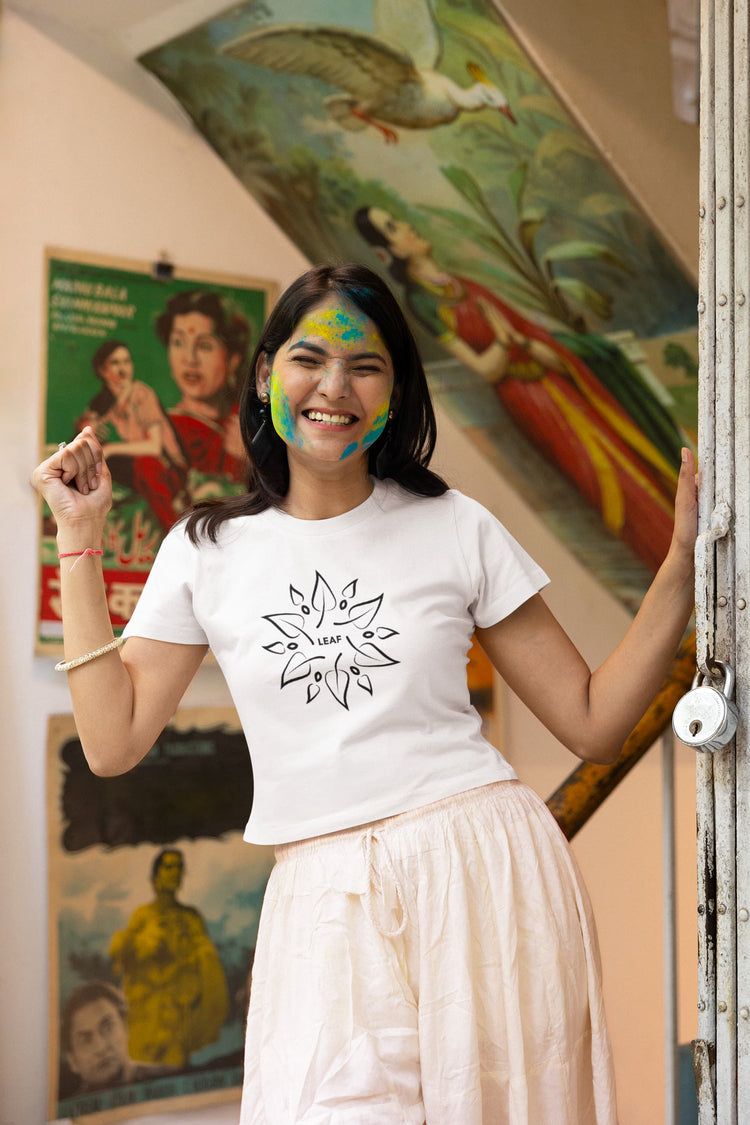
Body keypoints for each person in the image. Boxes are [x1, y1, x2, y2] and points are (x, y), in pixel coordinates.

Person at [33, 263, 697, 1124]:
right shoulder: (206, 550)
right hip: (319, 902)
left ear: (395, 391)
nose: (334, 387)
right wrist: (79, 539)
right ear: (267, 372)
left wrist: (680, 568)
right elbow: (112, 742)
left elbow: (596, 720)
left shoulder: (455, 526)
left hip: (482, 874)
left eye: (366, 365)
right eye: (311, 358)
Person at [355, 205, 688, 575]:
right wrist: (503, 341)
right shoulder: (422, 303)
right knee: (610, 481)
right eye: (393, 227)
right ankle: (675, 570)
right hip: (531, 402)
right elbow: (486, 368)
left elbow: (533, 339)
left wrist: (528, 346)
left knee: (636, 456)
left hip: (560, 385)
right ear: (389, 252)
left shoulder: (463, 282)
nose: (407, 227)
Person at [109, 847, 230, 1067]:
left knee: (176, 1068)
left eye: (179, 868)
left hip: (178, 1017)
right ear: (156, 875)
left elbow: (208, 965)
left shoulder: (191, 918)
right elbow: (121, 961)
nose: (175, 873)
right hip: (147, 1016)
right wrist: (138, 944)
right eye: (169, 867)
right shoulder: (143, 916)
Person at [76, 339, 188, 531]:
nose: (123, 369)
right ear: (102, 371)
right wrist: (86, 427)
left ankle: (173, 531)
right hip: (136, 469)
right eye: (115, 363)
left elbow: (154, 447)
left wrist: (110, 449)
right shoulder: (104, 402)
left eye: (126, 361)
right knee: (87, 458)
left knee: (144, 464)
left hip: (167, 469)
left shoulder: (141, 394)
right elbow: (85, 425)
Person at [155, 289, 251, 489]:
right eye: (178, 342)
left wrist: (248, 460)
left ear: (233, 360)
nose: (189, 359)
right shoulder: (160, 430)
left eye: (205, 346)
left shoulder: (250, 429)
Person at [60, 980, 178, 1094]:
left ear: (125, 1027)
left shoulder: (172, 1078)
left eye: (107, 1028)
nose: (101, 1047)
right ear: (73, 1061)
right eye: (85, 1040)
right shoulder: (71, 1112)